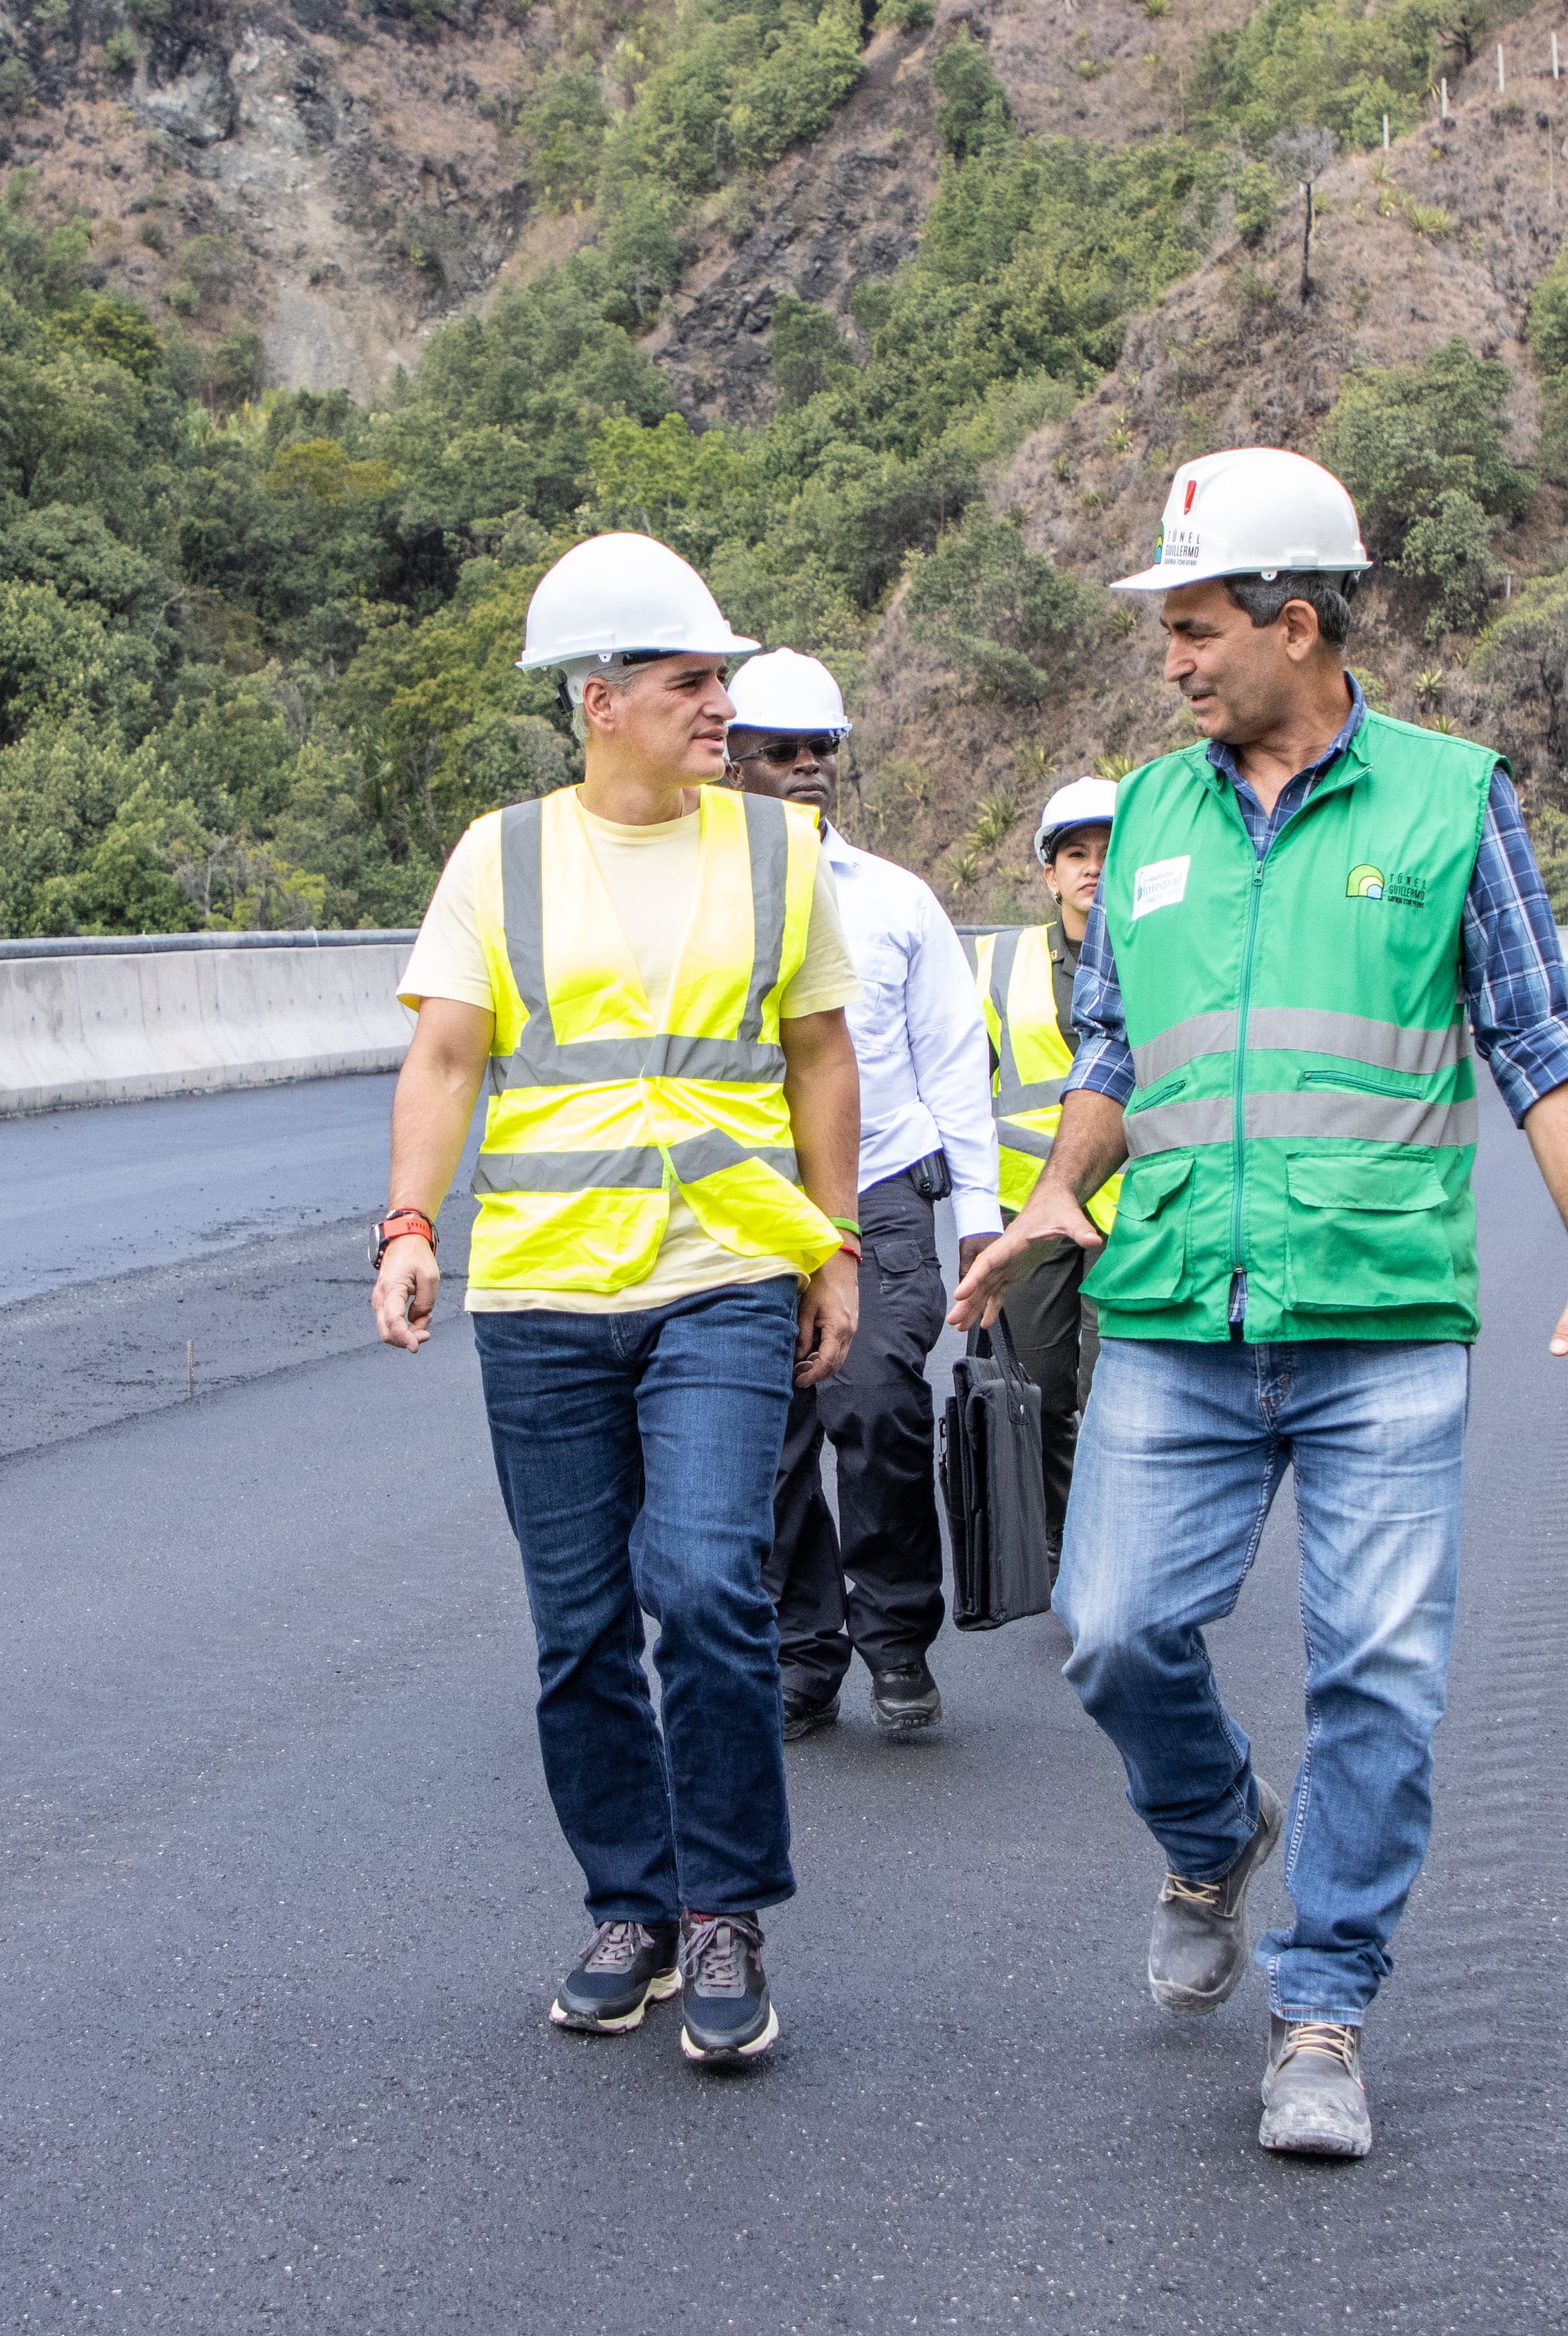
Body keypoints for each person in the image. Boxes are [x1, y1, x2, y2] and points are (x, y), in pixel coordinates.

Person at [948, 450, 1568, 2162]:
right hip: (1182, 1308)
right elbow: (1118, 1044)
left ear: (1295, 619)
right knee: (1110, 1626)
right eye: (1167, 633)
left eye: (1196, 628)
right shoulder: (1153, 819)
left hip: (1380, 1320)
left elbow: (1535, 1037)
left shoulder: (1446, 797)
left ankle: (1321, 2006)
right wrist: (1058, 1185)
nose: (1173, 662)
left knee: (1383, 1681)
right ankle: (1212, 1826)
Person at [373, 532, 864, 2069]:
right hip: (538, 1294)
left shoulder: (779, 854)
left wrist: (833, 1244)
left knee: (709, 1581)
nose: (722, 702)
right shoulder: (498, 857)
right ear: (599, 699)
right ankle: (630, 1907)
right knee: (578, 1623)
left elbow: (821, 1056)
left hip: (721, 1271)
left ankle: (725, 1907)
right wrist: (407, 1223)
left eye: (721, 677)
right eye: (689, 680)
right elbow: (447, 1055)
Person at [718, 649, 999, 1742]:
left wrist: (981, 1218)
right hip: (746, 1207)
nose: (804, 769)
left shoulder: (894, 903)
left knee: (877, 1406)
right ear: (729, 762)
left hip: (880, 1195)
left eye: (819, 750)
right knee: (768, 1436)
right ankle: (804, 1647)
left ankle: (896, 1640)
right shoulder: (701, 903)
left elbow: (951, 1059)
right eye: (778, 751)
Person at [973, 777, 1124, 1561]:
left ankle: (1101, 1551)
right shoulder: (998, 963)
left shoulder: (1161, 957)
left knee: (1113, 1395)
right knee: (1037, 1389)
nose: (1092, 867)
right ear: (1047, 869)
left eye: (1107, 851)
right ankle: (1060, 1541)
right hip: (1026, 1211)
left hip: (1135, 1213)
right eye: (1074, 852)